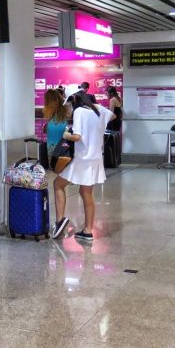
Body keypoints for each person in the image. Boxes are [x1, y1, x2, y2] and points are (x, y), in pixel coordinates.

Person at [51, 92, 113, 244]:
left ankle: (60, 221)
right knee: (86, 193)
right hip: (95, 158)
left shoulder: (79, 111)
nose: (70, 109)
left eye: (70, 105)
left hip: (81, 159)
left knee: (58, 184)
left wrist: (66, 135)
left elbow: (77, 136)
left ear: (74, 101)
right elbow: (113, 116)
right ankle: (87, 231)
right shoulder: (99, 110)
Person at [42, 88, 69, 168]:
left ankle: (53, 166)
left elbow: (49, 121)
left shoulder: (48, 109)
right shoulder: (65, 106)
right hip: (63, 130)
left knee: (53, 164)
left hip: (52, 132)